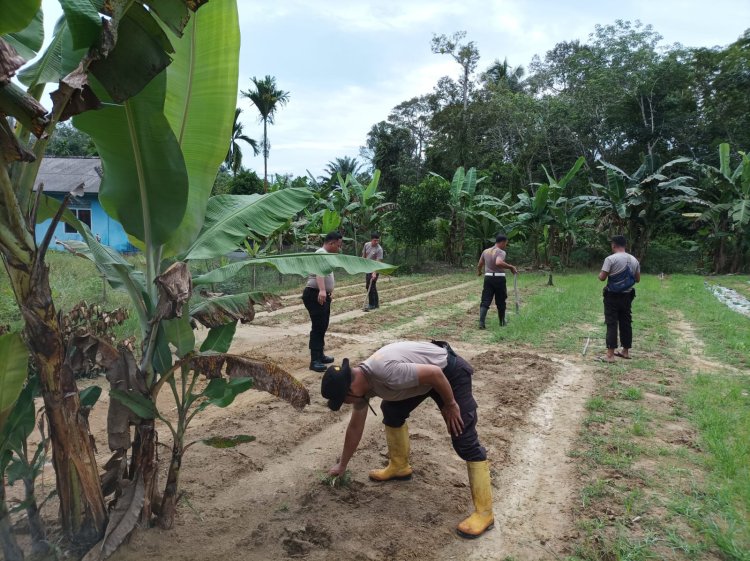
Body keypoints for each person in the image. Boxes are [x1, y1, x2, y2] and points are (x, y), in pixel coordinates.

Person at [321, 340, 494, 539]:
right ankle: (399, 466)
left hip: (449, 373)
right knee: (392, 410)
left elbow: (435, 374)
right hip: (427, 379)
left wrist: (451, 404)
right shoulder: (364, 384)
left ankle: (484, 513)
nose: (346, 403)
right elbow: (355, 427)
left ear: (351, 389)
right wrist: (342, 465)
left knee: (463, 437)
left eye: (343, 400)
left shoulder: (385, 372)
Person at [303, 231, 343, 372]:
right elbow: (319, 272)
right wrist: (322, 290)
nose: (339, 248)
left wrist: (326, 292)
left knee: (323, 325)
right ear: (331, 243)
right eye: (338, 245)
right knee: (318, 326)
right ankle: (314, 361)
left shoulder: (326, 254)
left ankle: (320, 355)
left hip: (321, 295)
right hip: (314, 294)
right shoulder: (321, 252)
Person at [598, 235, 641, 363]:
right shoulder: (634, 260)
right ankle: (625, 352)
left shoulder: (610, 259)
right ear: (625, 245)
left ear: (614, 245)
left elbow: (602, 277)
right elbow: (638, 279)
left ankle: (610, 355)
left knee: (611, 323)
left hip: (612, 296)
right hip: (627, 296)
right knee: (626, 323)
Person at [476, 234, 517, 329]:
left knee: (485, 300)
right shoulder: (501, 252)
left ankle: (481, 323)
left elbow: (479, 264)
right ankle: (502, 322)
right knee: (501, 301)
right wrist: (511, 267)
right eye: (506, 243)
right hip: (499, 278)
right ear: (502, 242)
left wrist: (479, 272)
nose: (505, 246)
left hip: (488, 278)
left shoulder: (486, 251)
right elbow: (498, 262)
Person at [361, 232, 384, 311]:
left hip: (375, 269)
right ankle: (376, 304)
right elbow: (364, 256)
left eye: (378, 240)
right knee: (372, 286)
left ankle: (371, 304)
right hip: (368, 268)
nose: (376, 242)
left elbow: (378, 263)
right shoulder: (366, 245)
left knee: (370, 285)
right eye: (375, 240)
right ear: (371, 240)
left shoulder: (379, 249)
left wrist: (374, 273)